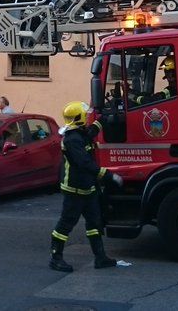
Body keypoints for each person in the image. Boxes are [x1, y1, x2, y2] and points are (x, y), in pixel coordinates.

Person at [49, 101, 123, 272]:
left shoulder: (79, 134)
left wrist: (103, 117)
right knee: (65, 225)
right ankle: (56, 258)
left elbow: (91, 132)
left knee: (94, 223)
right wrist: (109, 175)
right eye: (85, 114)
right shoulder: (72, 140)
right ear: (79, 118)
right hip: (74, 190)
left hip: (87, 188)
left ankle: (100, 258)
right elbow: (85, 164)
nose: (87, 116)